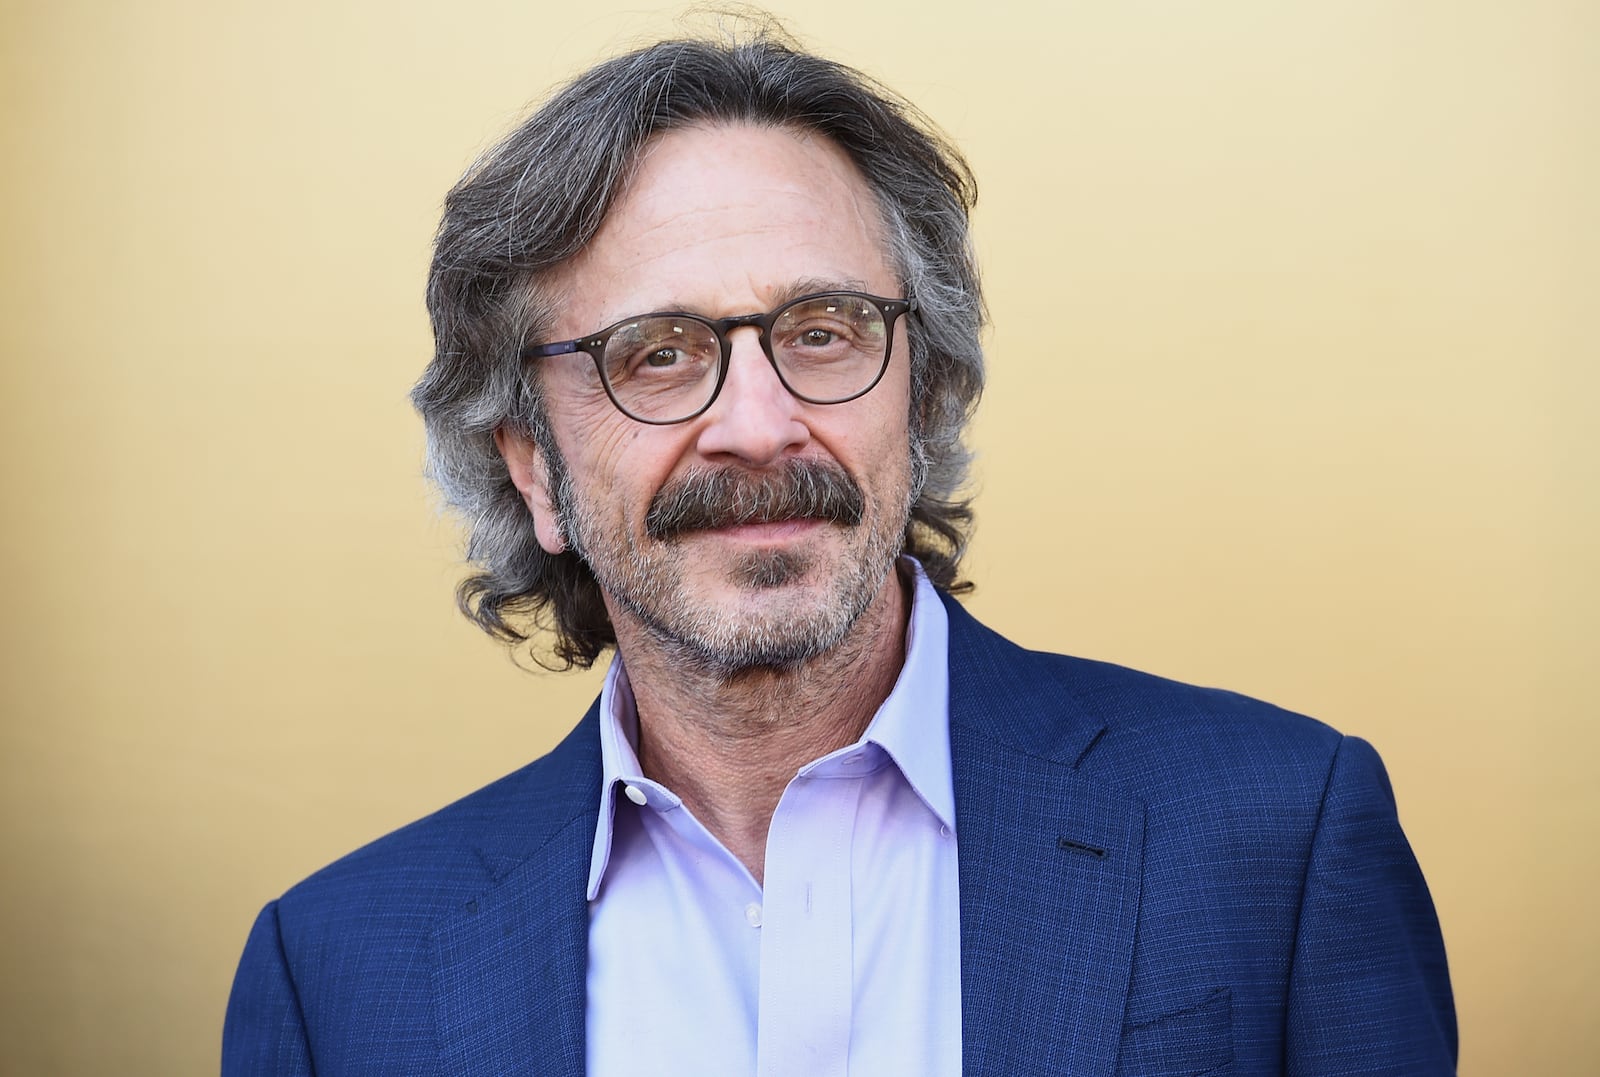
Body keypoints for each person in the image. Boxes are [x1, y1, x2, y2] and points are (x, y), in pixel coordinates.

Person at [222, 30, 1456, 1077]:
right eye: (656, 352)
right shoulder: (336, 978)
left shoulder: (1277, 837)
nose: (759, 425)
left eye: (824, 331)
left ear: (919, 398)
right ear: (532, 467)